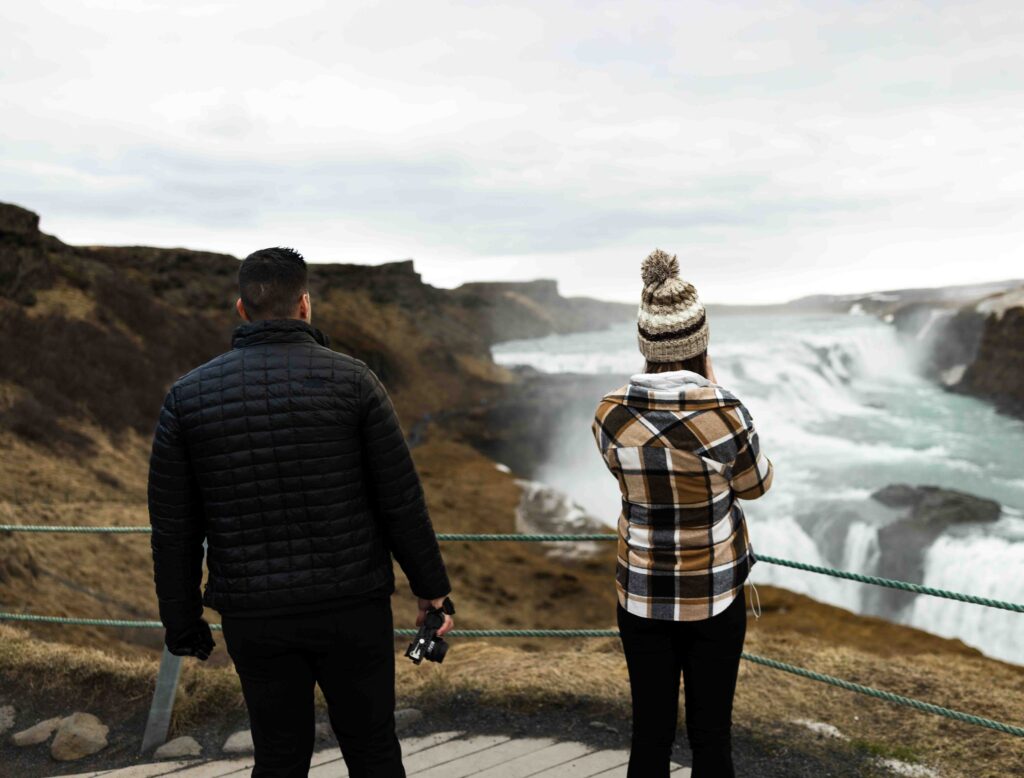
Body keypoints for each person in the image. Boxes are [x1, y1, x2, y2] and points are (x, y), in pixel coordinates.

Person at [147, 247, 453, 778]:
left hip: (255, 616)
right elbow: (400, 499)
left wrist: (183, 620)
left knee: (279, 755)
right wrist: (432, 591)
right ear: (305, 305)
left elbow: (174, 528)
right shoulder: (354, 381)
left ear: (241, 308)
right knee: (373, 748)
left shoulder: (187, 397)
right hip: (352, 607)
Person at [591, 250, 774, 778]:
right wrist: (711, 388)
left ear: (645, 345)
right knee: (711, 737)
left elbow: (627, 477)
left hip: (641, 592)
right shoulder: (723, 411)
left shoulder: (610, 412)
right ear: (702, 344)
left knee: (649, 732)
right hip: (713, 594)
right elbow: (756, 485)